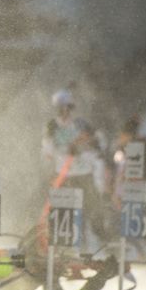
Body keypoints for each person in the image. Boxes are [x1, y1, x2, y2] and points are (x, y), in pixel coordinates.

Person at [41, 88, 111, 247]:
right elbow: (48, 150)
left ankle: (101, 244)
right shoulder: (51, 127)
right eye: (61, 108)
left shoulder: (80, 124)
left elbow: (99, 142)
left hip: (83, 174)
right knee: (64, 213)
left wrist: (88, 145)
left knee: (92, 210)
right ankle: (64, 247)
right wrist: (67, 149)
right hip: (64, 176)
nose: (64, 112)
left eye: (67, 108)